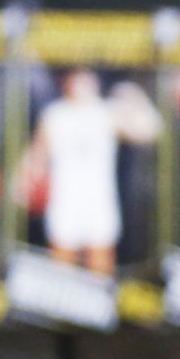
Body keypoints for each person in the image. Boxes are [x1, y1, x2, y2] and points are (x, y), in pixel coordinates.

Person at [19, 66, 159, 278]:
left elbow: (150, 131)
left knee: (100, 267)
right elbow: (37, 155)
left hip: (98, 201)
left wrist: (134, 96)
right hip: (64, 200)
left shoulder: (106, 113)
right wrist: (24, 183)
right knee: (61, 268)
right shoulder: (55, 114)